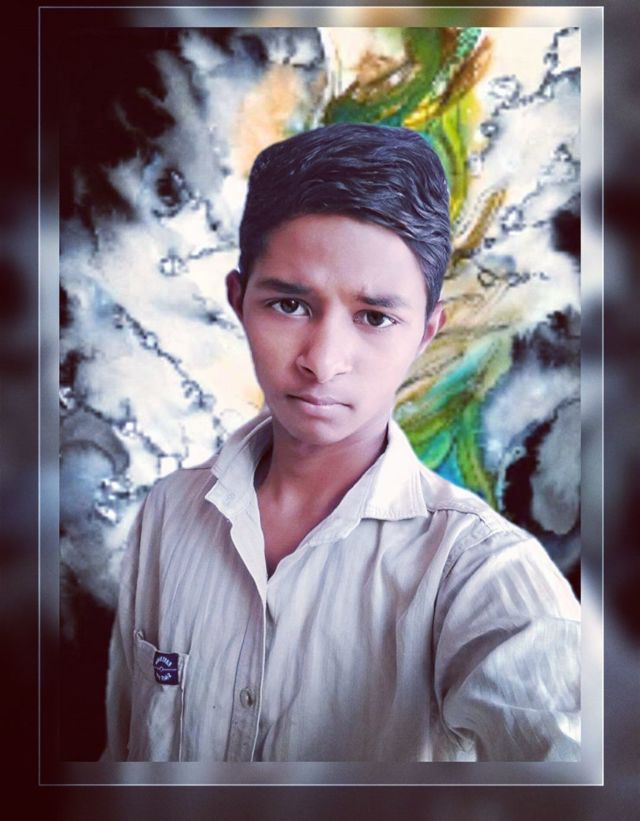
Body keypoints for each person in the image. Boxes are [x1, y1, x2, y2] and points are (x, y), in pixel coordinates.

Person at [103, 123, 580, 762]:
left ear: (426, 332)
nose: (323, 362)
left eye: (375, 317)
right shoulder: (168, 514)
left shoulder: (478, 572)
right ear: (239, 301)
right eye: (290, 306)